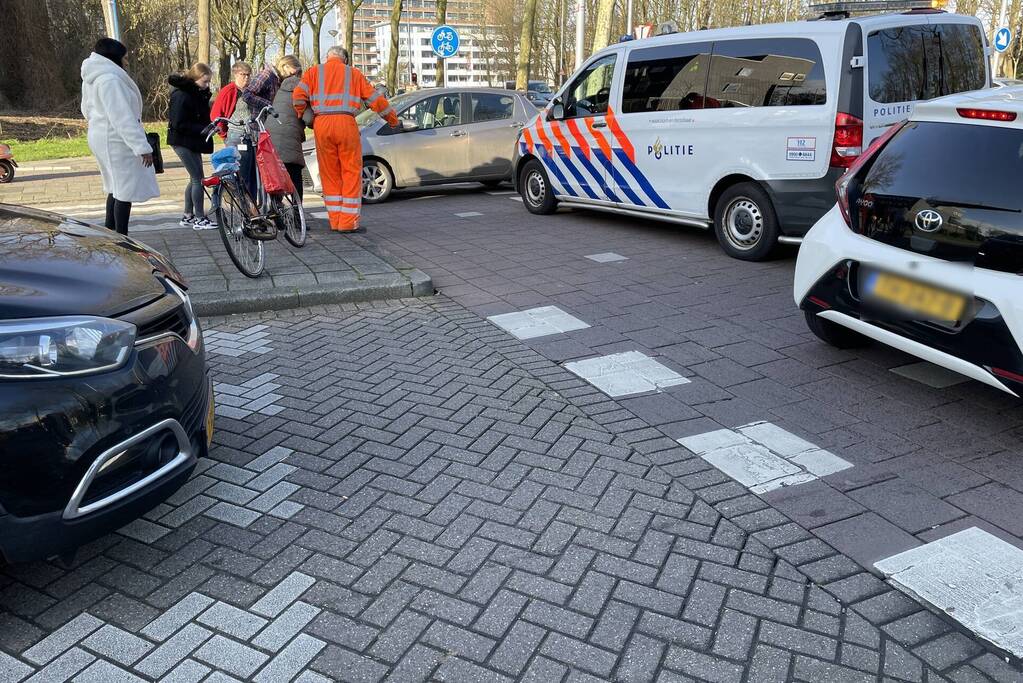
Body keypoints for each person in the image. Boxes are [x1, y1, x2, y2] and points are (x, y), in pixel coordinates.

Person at [293, 46, 398, 233]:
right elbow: (375, 100)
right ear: (345, 59)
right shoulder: (353, 74)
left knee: (329, 173)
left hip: (322, 124)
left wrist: (304, 114)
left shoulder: (313, 72)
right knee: (350, 171)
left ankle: (335, 221)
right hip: (346, 122)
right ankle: (348, 223)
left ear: (328, 57)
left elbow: (298, 98)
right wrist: (392, 119)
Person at [80, 38, 158, 235]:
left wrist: (99, 121)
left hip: (102, 134)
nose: (126, 61)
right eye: (124, 57)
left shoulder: (94, 75)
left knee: (115, 187)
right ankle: (121, 239)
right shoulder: (110, 79)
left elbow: (86, 108)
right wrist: (142, 147)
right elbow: (122, 117)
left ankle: (111, 233)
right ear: (114, 57)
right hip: (115, 139)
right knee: (124, 189)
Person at [168, 63, 215, 229]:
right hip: (182, 141)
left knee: (194, 178)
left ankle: (188, 215)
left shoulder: (196, 94)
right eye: (205, 82)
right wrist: (203, 129)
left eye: (209, 82)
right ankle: (200, 218)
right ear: (195, 79)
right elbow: (178, 122)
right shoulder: (183, 95)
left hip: (190, 140)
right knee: (198, 179)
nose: (207, 85)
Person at [269, 55, 311, 201]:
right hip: (289, 142)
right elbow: (309, 119)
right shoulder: (301, 90)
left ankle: (276, 216)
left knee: (277, 180)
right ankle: (298, 219)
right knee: (295, 179)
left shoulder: (280, 90)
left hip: (271, 142)